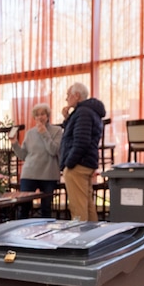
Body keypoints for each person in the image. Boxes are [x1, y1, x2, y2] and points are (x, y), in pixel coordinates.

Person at [58, 82, 106, 222]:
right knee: (87, 205)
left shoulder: (83, 112)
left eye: (68, 95)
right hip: (86, 163)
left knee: (78, 207)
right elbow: (75, 134)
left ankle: (80, 240)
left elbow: (81, 141)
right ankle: (93, 238)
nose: (66, 99)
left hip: (78, 165)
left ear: (76, 95)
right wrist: (67, 119)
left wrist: (69, 163)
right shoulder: (88, 112)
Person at [12, 103, 63, 217]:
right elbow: (23, 155)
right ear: (34, 117)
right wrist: (15, 144)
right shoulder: (30, 133)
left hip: (48, 174)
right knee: (23, 208)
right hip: (29, 173)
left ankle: (45, 234)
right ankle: (22, 233)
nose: (40, 117)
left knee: (46, 209)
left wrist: (44, 133)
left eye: (42, 114)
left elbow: (53, 150)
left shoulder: (57, 130)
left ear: (48, 116)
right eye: (37, 115)